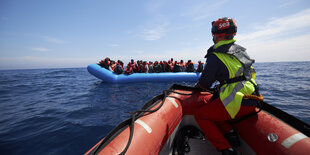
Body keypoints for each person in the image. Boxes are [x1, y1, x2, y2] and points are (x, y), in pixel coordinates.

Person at [194, 17, 261, 155]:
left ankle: (226, 149)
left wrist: (197, 87)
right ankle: (231, 134)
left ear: (216, 35)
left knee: (201, 115)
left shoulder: (215, 56)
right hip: (254, 98)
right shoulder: (241, 51)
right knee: (212, 105)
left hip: (238, 103)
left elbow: (204, 83)